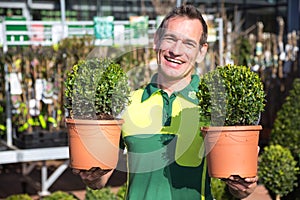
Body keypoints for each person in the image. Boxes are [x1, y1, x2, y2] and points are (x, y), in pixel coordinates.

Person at [73, 4, 258, 200]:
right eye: (170, 39)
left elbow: (237, 179)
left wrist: (243, 186)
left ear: (202, 51)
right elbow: (100, 179)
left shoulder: (214, 107)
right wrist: (92, 176)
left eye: (188, 43)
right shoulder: (127, 103)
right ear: (156, 41)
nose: (176, 51)